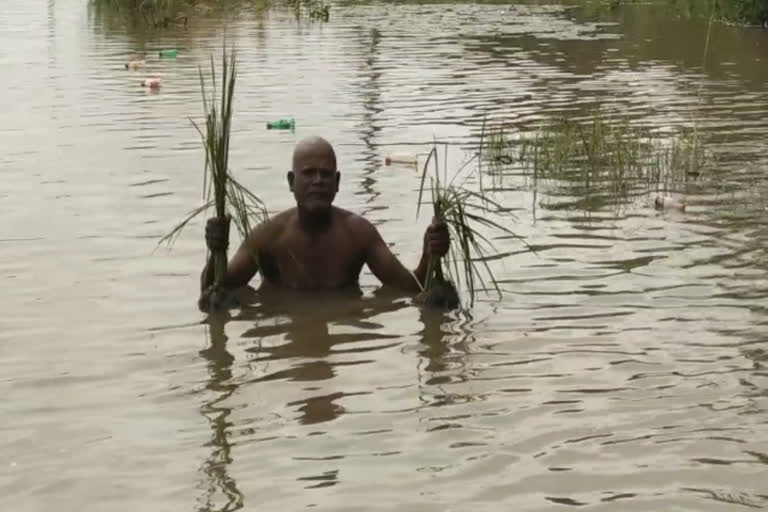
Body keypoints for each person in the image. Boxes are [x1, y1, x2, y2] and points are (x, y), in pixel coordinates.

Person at [199, 136, 450, 310]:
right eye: (308, 173)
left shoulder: (358, 234)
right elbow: (214, 289)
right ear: (291, 181)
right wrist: (215, 250)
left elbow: (409, 287)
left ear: (337, 182)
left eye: (326, 174)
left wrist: (430, 252)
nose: (318, 181)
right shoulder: (268, 237)